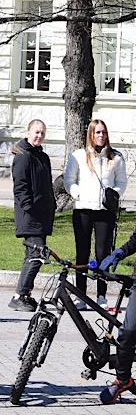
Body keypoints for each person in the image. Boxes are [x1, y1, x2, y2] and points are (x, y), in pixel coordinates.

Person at [64, 119, 127, 309]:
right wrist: (77, 193)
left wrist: (113, 193)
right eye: (97, 133)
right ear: (90, 135)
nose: (101, 136)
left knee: (102, 253)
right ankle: (80, 295)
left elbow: (122, 182)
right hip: (83, 209)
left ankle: (101, 295)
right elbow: (69, 180)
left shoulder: (115, 157)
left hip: (104, 212)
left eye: (104, 133)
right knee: (82, 253)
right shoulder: (79, 156)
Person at [9, 120, 56, 312]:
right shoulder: (23, 156)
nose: (39, 136)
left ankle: (23, 294)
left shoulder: (42, 157)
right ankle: (20, 295)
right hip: (30, 215)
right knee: (37, 254)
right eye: (36, 132)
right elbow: (20, 186)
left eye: (42, 133)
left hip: (42, 215)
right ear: (28, 132)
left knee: (32, 255)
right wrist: (29, 206)